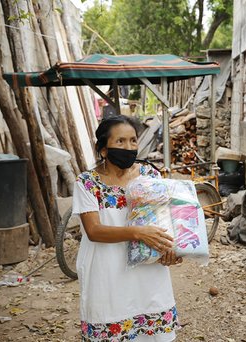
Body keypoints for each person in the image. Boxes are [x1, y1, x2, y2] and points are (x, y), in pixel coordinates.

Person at [72, 115, 182, 341]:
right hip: (106, 272)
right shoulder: (88, 183)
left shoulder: (150, 175)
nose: (129, 147)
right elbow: (94, 231)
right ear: (103, 149)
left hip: (148, 271)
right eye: (120, 142)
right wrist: (137, 233)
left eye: (133, 140)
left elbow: (163, 219)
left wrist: (171, 248)